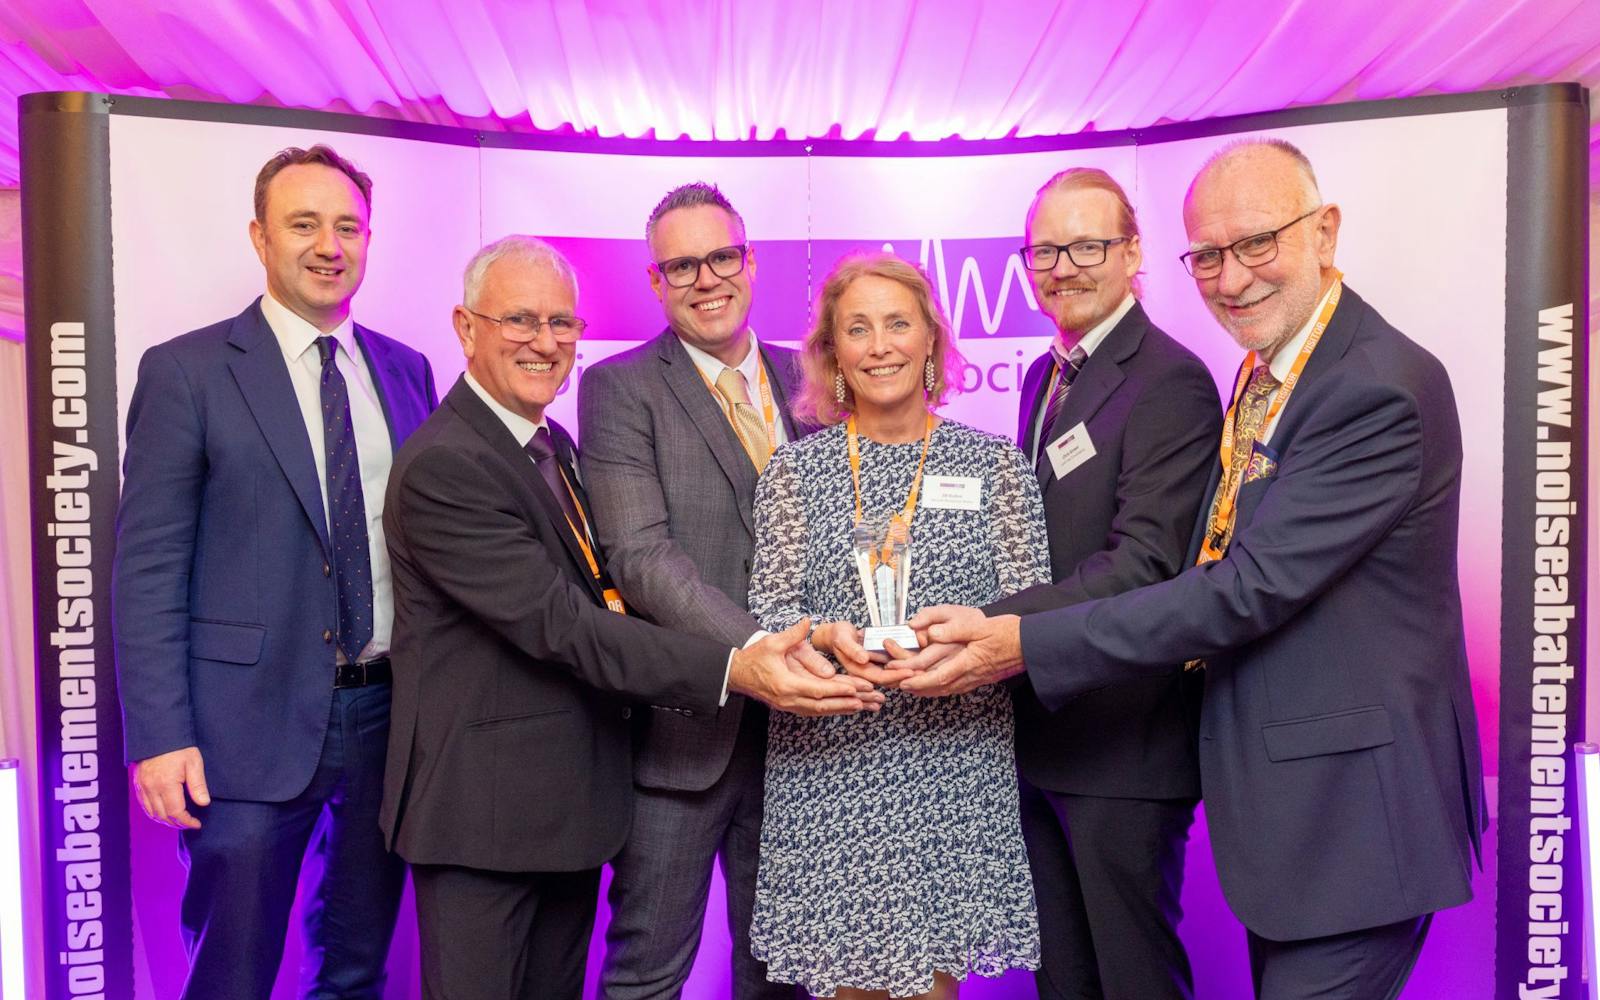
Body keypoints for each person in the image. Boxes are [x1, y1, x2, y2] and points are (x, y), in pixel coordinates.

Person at [902, 139, 1487, 999]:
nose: (1232, 276)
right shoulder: (1269, 371)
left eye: (1258, 243)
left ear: (1324, 232)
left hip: (1355, 818)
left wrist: (1019, 641)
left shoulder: (1377, 386)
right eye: (1209, 255)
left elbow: (1240, 586)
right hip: (1288, 817)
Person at [379, 235, 880, 1000]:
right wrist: (737, 664)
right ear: (465, 327)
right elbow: (568, 624)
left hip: (565, 804)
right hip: (482, 814)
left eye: (561, 324)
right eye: (519, 320)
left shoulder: (550, 446)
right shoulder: (449, 464)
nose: (545, 343)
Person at [112, 144, 437, 999]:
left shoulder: (408, 372)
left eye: (348, 227)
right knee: (233, 969)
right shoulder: (186, 373)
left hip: (388, 714)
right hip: (239, 733)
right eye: (304, 225)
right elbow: (147, 568)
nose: (329, 246)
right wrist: (158, 736)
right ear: (259, 237)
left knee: (359, 960)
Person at [747, 252, 1047, 1000]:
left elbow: (1031, 613)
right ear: (833, 354)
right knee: (848, 984)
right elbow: (772, 613)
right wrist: (823, 637)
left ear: (931, 342)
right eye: (857, 329)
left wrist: (964, 642)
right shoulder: (794, 472)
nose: (879, 345)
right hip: (832, 757)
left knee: (932, 981)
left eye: (897, 323)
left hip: (952, 756)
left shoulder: (996, 467)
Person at [1001, 167, 1222, 1000]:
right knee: (1063, 978)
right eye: (1045, 250)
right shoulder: (1044, 377)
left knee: (1132, 977)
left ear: (1133, 253)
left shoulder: (1169, 379)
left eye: (1087, 245)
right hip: (1042, 733)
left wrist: (992, 629)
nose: (1063, 267)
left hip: (1125, 742)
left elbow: (1145, 564)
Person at [580, 182, 803, 1000]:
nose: (706, 279)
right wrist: (758, 652)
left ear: (751, 263)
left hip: (805, 744)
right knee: (647, 972)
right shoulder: (619, 387)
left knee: (783, 975)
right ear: (655, 281)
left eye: (721, 257)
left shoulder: (812, 377)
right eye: (682, 266)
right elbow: (640, 556)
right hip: (682, 739)